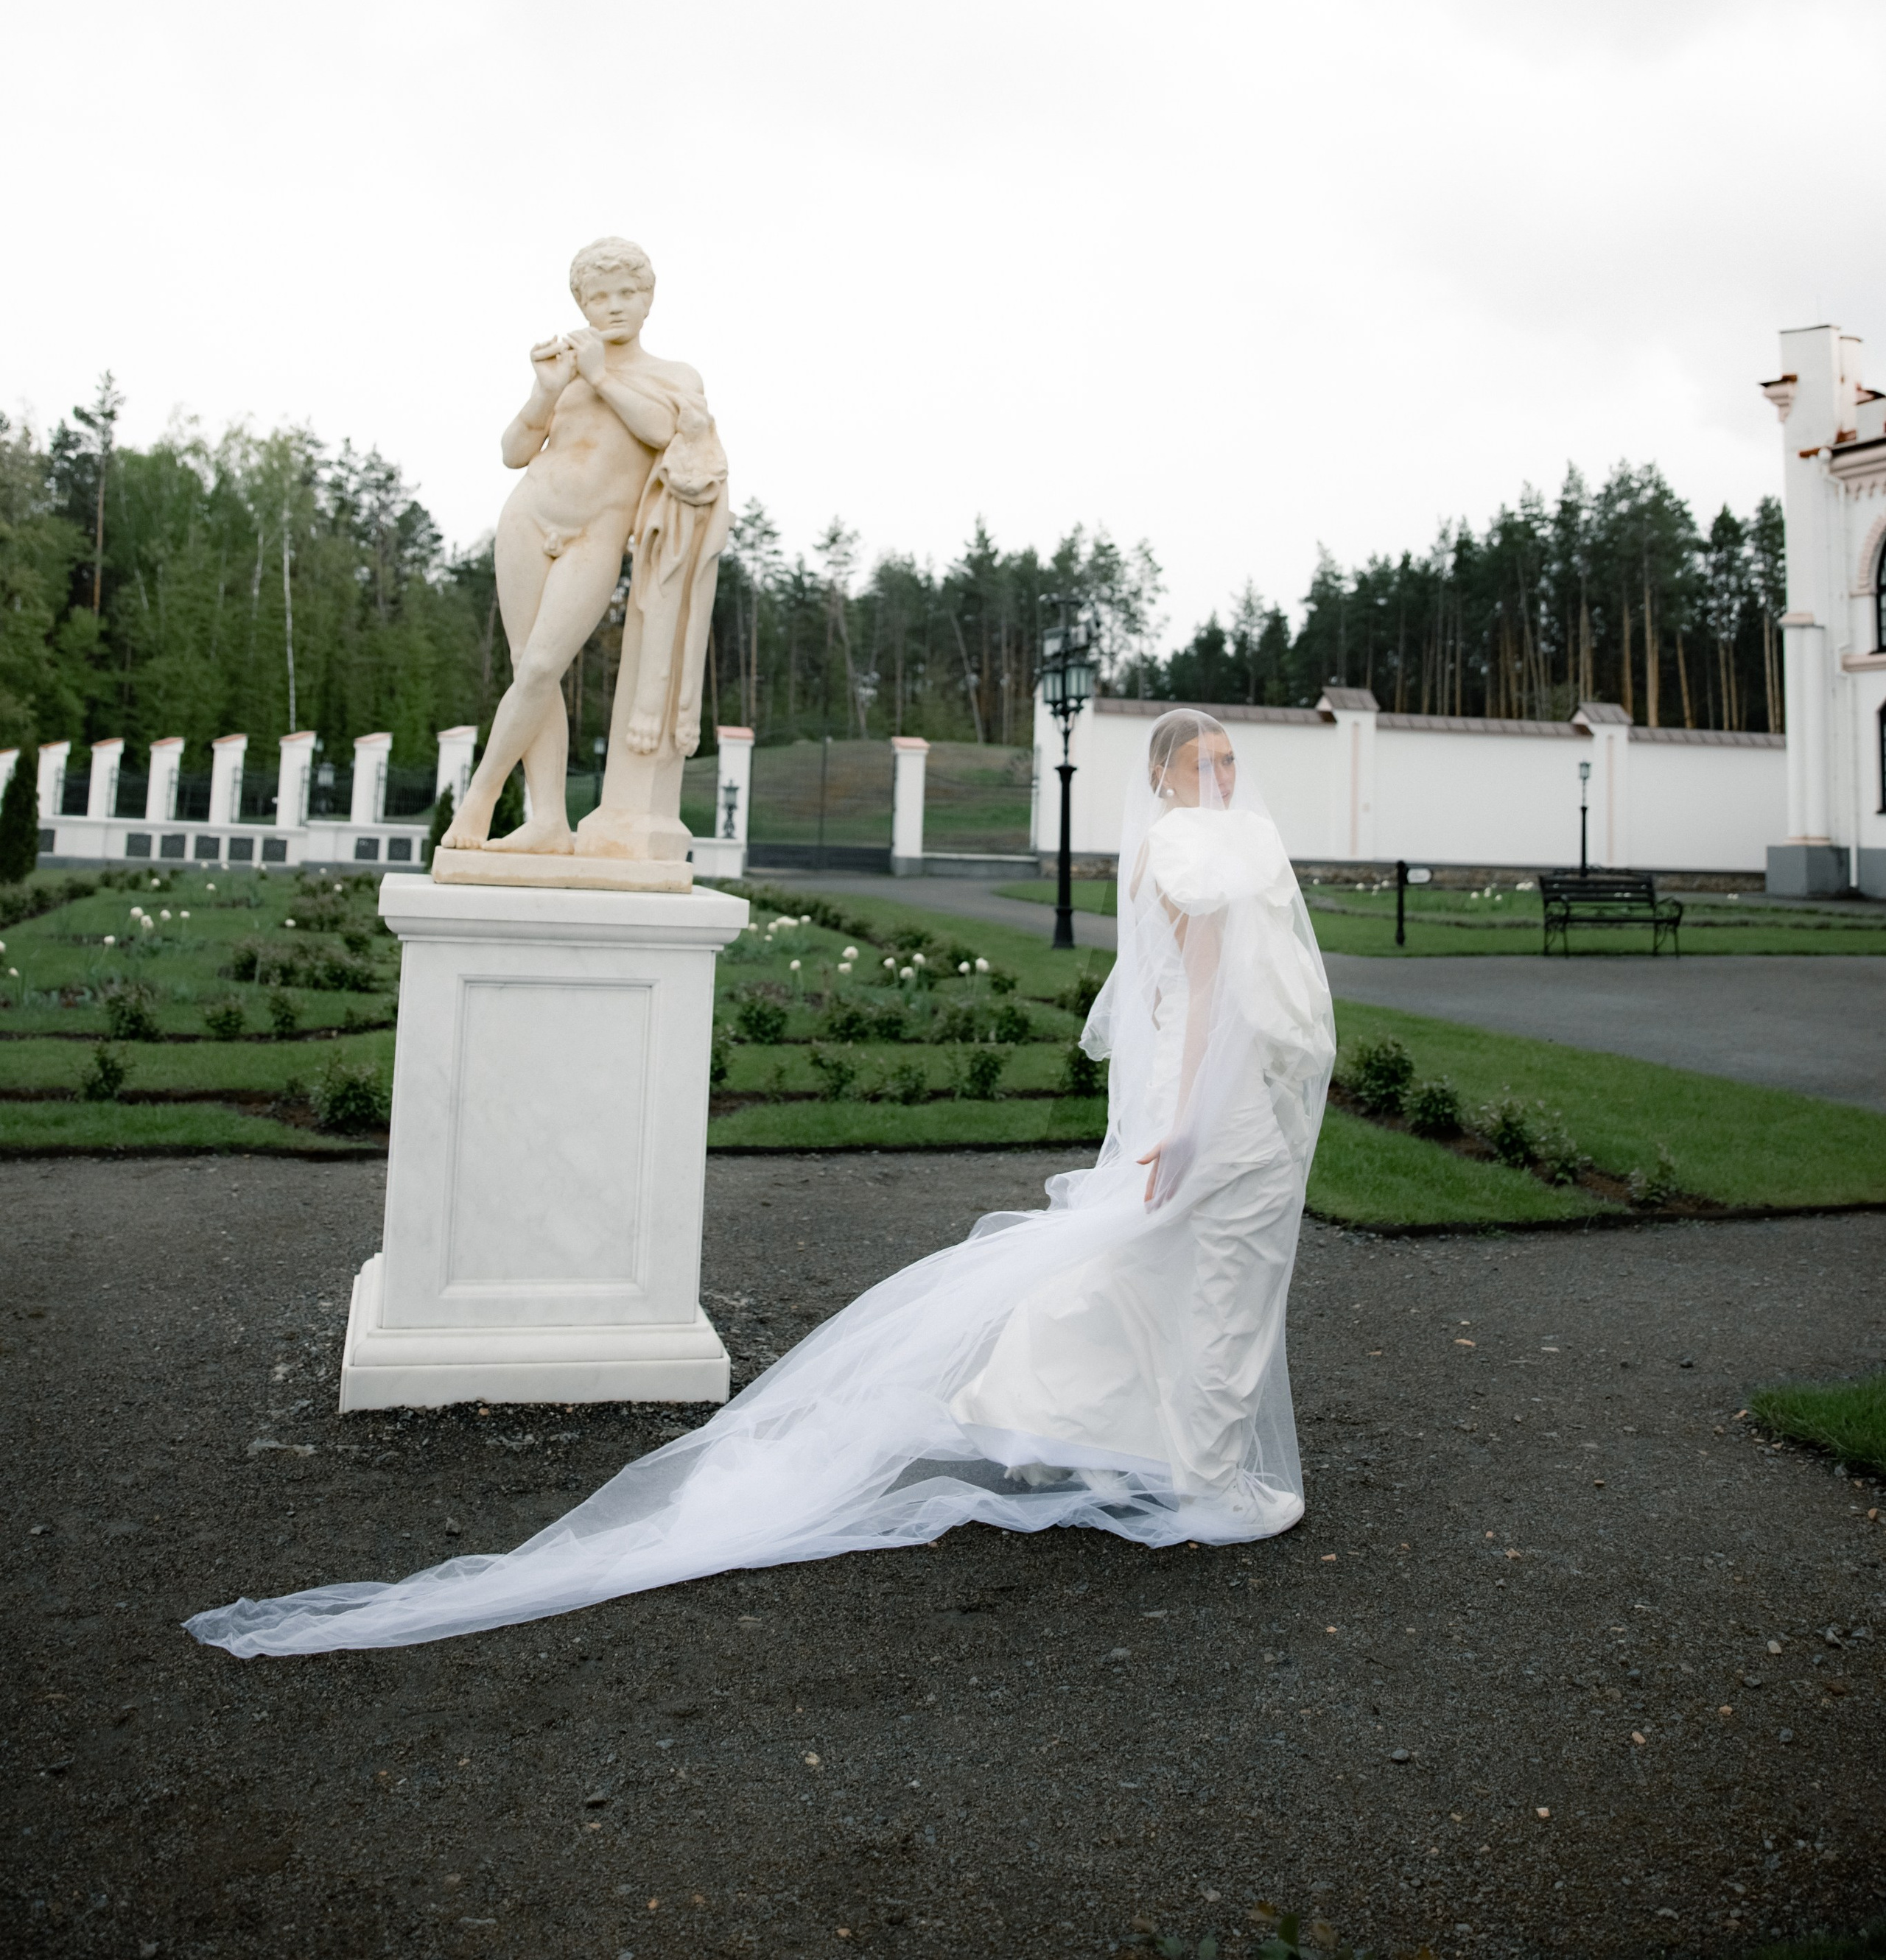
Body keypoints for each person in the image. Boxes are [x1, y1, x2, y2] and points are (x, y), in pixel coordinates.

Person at [188, 709, 1333, 1658]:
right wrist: (1186, 1123)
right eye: (1205, 763)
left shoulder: (1204, 846)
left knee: (1152, 1265)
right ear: (1164, 777)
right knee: (1214, 1271)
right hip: (1211, 1104)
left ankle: (1073, 1413)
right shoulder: (1194, 853)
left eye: (1232, 762)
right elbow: (1201, 997)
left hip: (1212, 1097)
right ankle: (1201, 1471)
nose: (1225, 777)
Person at [440, 237, 726, 857]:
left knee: (543, 666)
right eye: (598, 297)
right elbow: (514, 451)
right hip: (528, 517)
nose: (613, 306)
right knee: (528, 669)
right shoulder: (568, 366)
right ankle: (548, 820)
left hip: (597, 534)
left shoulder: (674, 377)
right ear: (581, 304)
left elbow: (664, 431)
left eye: (626, 293)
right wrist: (546, 390)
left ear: (649, 299)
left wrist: (599, 375)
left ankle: (482, 794)